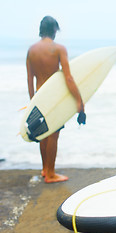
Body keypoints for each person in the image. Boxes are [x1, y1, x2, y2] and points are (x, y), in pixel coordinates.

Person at [26, 16, 84, 183]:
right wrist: (79, 100)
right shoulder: (58, 49)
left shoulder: (31, 50)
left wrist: (32, 102)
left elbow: (29, 79)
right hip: (53, 96)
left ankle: (45, 169)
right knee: (53, 134)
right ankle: (51, 174)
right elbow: (68, 78)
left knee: (43, 133)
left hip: (39, 95)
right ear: (54, 30)